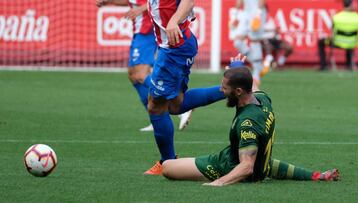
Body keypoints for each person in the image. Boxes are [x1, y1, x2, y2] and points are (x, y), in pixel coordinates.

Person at [161, 56, 339, 185]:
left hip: (228, 167)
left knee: (168, 167)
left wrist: (219, 183)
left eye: (224, 88)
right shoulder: (262, 99)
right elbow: (253, 84)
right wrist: (237, 66)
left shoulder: (248, 123)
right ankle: (317, 176)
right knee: (263, 162)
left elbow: (247, 167)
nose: (221, 92)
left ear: (238, 91)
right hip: (262, 164)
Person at [144, 0, 226, 175]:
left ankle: (167, 162)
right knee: (175, 104)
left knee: (155, 106)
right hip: (175, 45)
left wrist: (173, 20)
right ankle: (232, 88)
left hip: (174, 48)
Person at [95, 0, 193, 132]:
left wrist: (140, 9)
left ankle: (177, 103)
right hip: (141, 30)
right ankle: (157, 115)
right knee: (133, 75)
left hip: (146, 30)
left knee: (139, 74)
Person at [232, 0, 267, 87]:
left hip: (258, 13)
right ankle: (258, 66)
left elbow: (262, 1)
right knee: (237, 42)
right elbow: (239, 1)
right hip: (246, 14)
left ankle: (256, 75)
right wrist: (235, 15)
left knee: (255, 41)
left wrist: (258, 14)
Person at [318, 0, 358, 71]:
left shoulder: (337, 17)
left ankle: (323, 66)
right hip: (352, 43)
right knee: (349, 42)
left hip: (337, 43)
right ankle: (349, 65)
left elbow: (332, 30)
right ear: (351, 5)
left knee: (321, 42)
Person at [261, 11, 293, 75]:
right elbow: (258, 31)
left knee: (289, 48)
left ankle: (280, 63)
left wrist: (275, 31)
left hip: (275, 39)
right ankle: (266, 67)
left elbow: (277, 29)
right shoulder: (259, 21)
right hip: (266, 40)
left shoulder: (271, 20)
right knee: (268, 49)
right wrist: (271, 30)